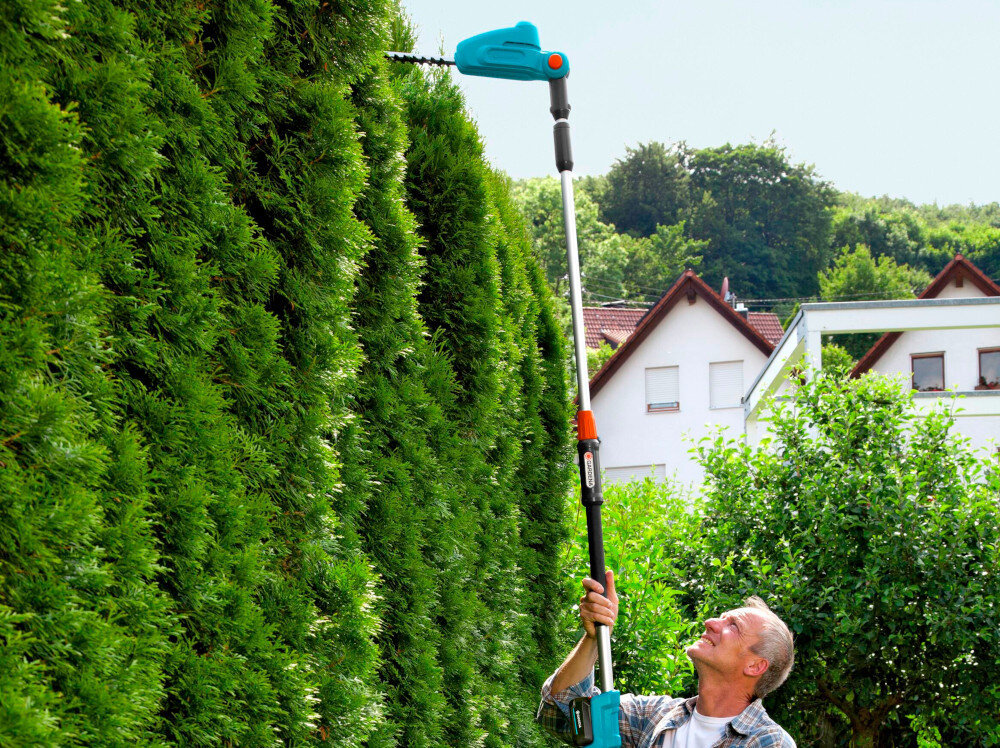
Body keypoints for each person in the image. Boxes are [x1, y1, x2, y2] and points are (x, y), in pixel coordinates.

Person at [536, 571, 796, 747]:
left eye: (733, 625)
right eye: (721, 616)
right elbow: (560, 711)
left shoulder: (767, 741)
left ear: (755, 665)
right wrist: (595, 637)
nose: (710, 622)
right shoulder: (657, 716)